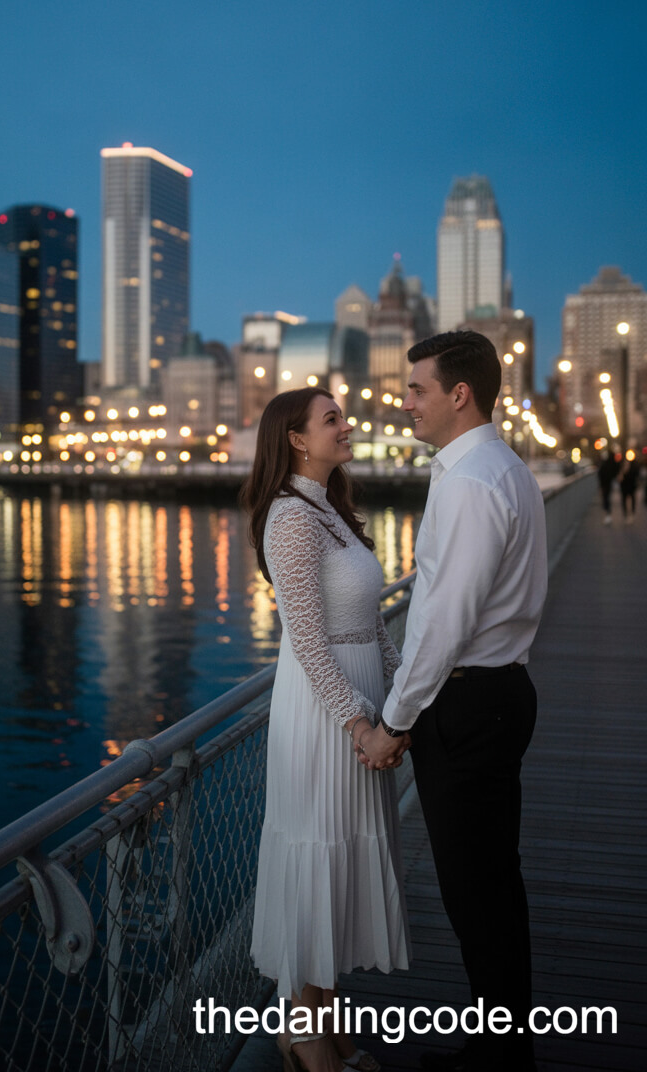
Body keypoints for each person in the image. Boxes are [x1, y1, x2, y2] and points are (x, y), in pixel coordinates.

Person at [358, 332, 547, 1072]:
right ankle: (506, 1037)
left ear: (458, 394)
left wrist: (394, 722)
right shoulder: (505, 468)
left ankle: (502, 1052)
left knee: (476, 890)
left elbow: (442, 620)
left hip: (470, 703)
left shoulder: (470, 483)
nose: (404, 402)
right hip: (499, 695)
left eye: (416, 390)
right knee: (494, 879)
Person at [243, 387, 411, 1072]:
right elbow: (308, 641)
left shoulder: (333, 510)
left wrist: (405, 699)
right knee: (321, 848)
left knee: (345, 856)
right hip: (325, 715)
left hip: (365, 698)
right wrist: (359, 725)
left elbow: (373, 625)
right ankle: (303, 1031)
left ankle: (327, 1018)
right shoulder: (288, 516)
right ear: (295, 438)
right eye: (332, 419)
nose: (348, 426)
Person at [597, 450, 619, 524]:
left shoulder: (605, 464)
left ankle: (608, 514)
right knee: (607, 498)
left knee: (606, 498)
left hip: (605, 484)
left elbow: (600, 474)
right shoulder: (613, 463)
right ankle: (608, 514)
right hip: (608, 484)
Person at [619, 454, 640, 523]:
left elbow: (636, 474)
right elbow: (620, 477)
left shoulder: (634, 466)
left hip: (631, 486)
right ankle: (626, 514)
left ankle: (632, 514)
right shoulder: (622, 466)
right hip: (624, 487)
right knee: (624, 500)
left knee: (632, 499)